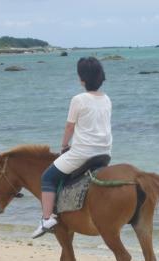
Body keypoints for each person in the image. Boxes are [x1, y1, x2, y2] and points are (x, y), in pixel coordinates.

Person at [32, 57, 112, 238]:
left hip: (83, 153)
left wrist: (64, 146)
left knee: (47, 177)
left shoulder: (78, 99)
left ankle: (46, 219)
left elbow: (70, 126)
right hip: (105, 153)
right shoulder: (107, 99)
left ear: (82, 79)